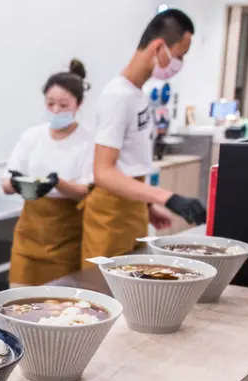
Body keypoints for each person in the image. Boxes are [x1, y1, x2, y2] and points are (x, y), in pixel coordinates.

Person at [82, 8, 207, 266]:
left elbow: (129, 161)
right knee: (105, 290)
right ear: (160, 47)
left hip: (132, 207)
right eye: (180, 56)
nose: (179, 65)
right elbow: (103, 172)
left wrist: (147, 207)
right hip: (110, 214)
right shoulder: (117, 96)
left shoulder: (137, 94)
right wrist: (167, 197)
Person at [2, 60, 94, 286]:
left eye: (63, 105)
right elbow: (6, 184)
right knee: (18, 304)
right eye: (50, 103)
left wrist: (57, 183)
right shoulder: (32, 136)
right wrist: (17, 182)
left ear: (78, 104)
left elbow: (85, 192)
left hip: (66, 242)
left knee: (58, 307)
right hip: (28, 238)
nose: (55, 110)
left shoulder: (88, 141)